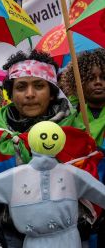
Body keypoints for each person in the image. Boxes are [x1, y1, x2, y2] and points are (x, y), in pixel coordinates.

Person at [0, 50, 98, 248]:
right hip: (8, 238)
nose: (30, 94)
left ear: (52, 93)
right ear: (10, 93)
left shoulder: (76, 137)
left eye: (39, 86)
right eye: (21, 87)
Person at [60, 48, 105, 247]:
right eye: (90, 77)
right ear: (77, 82)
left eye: (103, 77)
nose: (98, 82)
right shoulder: (66, 115)